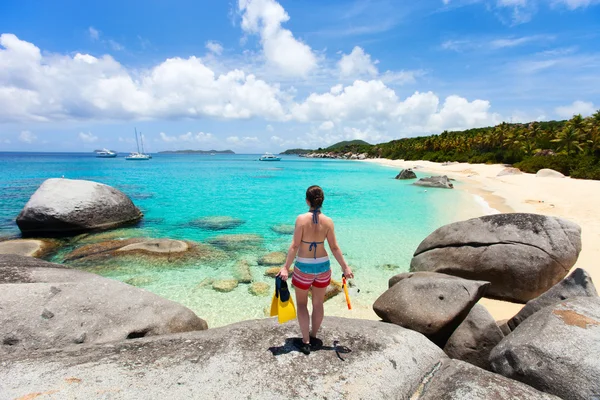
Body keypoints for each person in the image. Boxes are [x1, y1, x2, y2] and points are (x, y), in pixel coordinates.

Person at [278, 185, 354, 355]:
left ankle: (305, 341)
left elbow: (295, 246)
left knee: (302, 304)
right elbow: (334, 247)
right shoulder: (328, 221)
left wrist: (285, 267)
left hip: (303, 267)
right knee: (318, 303)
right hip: (323, 267)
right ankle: (313, 336)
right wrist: (345, 267)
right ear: (322, 201)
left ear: (307, 201)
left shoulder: (301, 219)